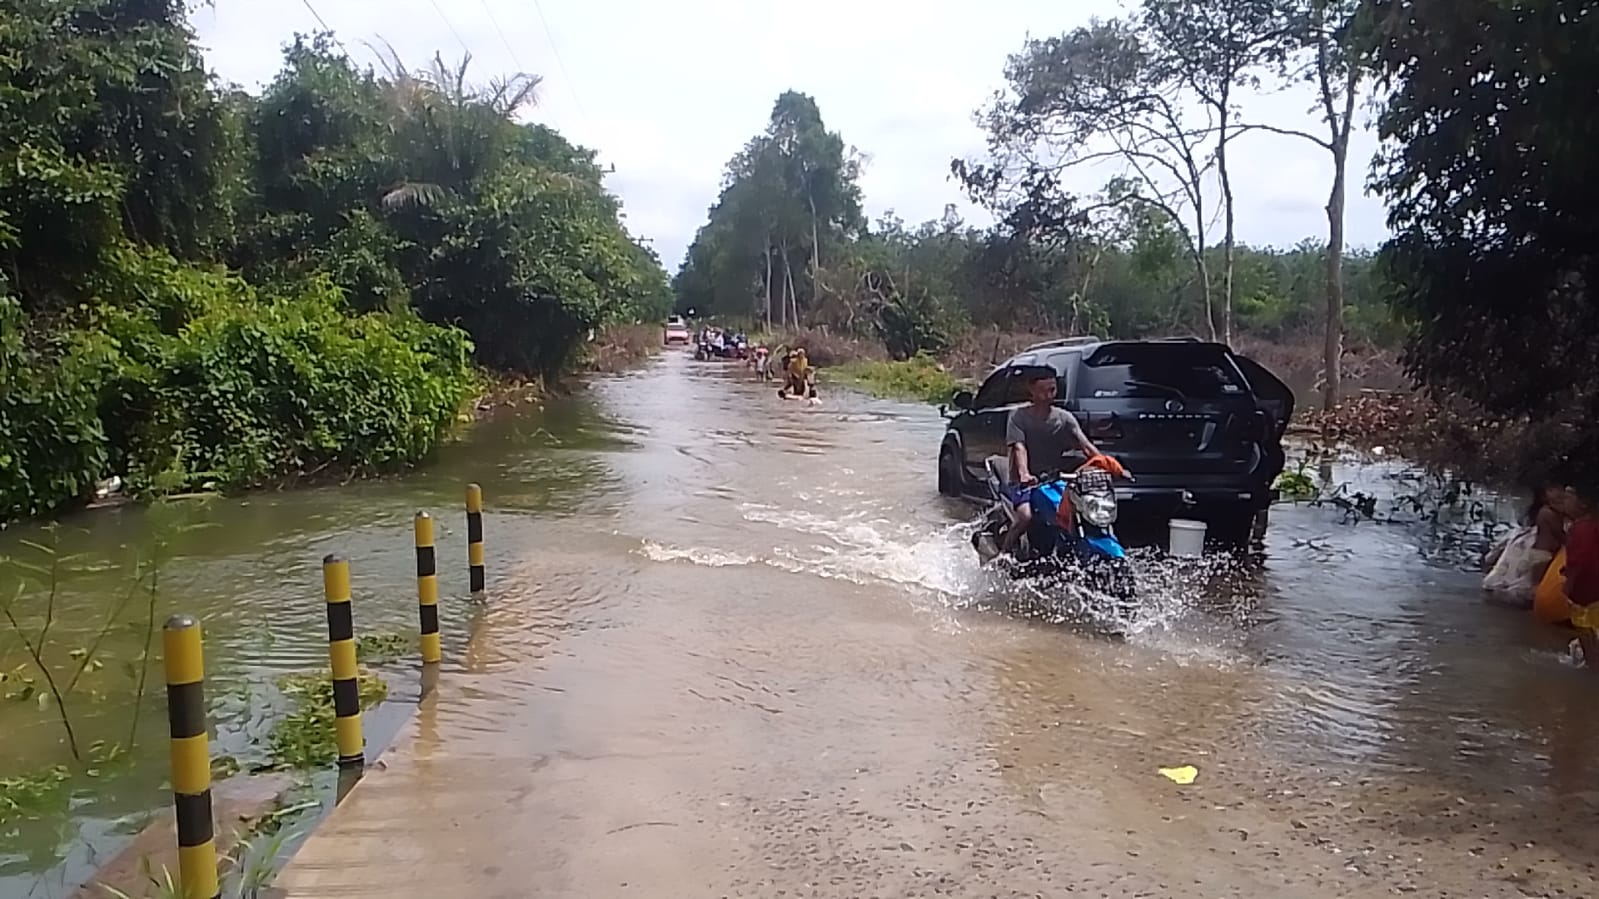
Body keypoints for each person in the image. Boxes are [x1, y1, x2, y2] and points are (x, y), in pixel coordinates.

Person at [999, 366, 1113, 555]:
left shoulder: (1064, 418)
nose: (1048, 395)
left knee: (1085, 511)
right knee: (1025, 517)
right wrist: (1024, 474)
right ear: (1031, 390)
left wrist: (1110, 467)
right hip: (1024, 483)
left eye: (1052, 390)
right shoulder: (1018, 417)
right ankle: (1003, 556)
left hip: (1054, 480)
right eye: (1043, 390)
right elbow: (1019, 447)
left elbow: (1086, 446)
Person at [1483, 483, 1570, 607]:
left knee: (1535, 586)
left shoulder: (1554, 512)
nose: (1558, 493)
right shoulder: (1547, 513)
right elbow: (1559, 534)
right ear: (1543, 496)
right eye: (1552, 490)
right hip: (1542, 554)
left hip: (1542, 553)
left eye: (1559, 489)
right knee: (1535, 587)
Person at [1563, 483, 1599, 668]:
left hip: (1585, 590)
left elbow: (1580, 561)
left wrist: (1569, 584)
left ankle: (1592, 667)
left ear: (1583, 503)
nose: (1564, 502)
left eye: (1568, 498)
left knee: (1585, 630)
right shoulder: (1591, 525)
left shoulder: (1581, 528)